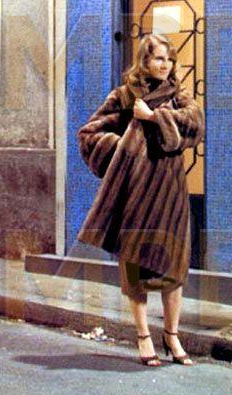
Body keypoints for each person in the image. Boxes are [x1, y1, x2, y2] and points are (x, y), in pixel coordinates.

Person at [76, 33, 204, 367]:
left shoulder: (179, 95)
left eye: (170, 59)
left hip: (171, 191)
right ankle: (143, 335)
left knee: (174, 266)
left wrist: (153, 117)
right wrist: (123, 150)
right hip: (135, 191)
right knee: (135, 263)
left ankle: (172, 335)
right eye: (159, 58)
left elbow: (196, 126)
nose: (166, 65)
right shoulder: (124, 96)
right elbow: (88, 134)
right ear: (144, 61)